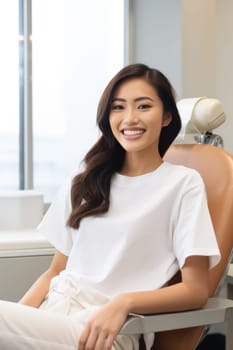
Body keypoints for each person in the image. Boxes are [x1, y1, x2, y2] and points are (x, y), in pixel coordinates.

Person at [0, 63, 220, 350]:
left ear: (166, 116)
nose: (130, 118)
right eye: (118, 107)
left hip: (105, 332)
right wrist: (19, 322)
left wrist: (124, 302)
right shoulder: (86, 179)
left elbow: (195, 290)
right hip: (53, 318)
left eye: (143, 107)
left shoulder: (182, 184)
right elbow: (55, 272)